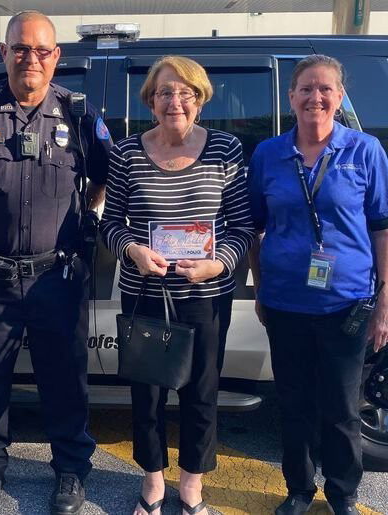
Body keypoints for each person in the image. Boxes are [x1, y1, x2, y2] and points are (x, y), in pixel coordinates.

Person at [0, 10, 111, 515]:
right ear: (4, 53)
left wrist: (82, 217)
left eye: (42, 49)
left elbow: (100, 177)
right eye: (21, 48)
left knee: (65, 378)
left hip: (58, 274)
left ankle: (71, 471)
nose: (31, 57)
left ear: (56, 58)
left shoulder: (77, 114)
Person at [100, 56, 255, 515]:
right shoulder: (127, 153)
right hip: (146, 293)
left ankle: (191, 488)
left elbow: (243, 227)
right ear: (150, 100)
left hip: (205, 296)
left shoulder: (226, 149)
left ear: (201, 100)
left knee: (201, 392)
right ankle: (151, 483)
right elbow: (110, 223)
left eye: (186, 93)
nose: (176, 101)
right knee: (147, 393)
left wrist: (217, 264)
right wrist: (133, 251)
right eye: (166, 92)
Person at [247, 54, 388, 515]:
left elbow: (382, 229)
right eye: (306, 88)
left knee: (343, 407)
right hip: (286, 302)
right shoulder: (269, 154)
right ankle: (299, 489)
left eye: (325, 88)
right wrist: (262, 286)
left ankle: (343, 493)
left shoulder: (365, 151)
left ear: (340, 96)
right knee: (294, 403)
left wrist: (384, 302)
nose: (315, 97)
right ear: (291, 97)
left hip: (348, 303)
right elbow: (253, 226)